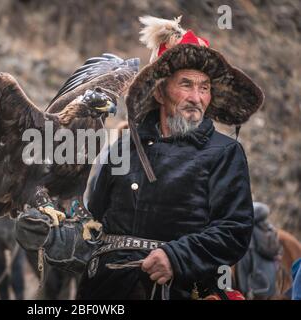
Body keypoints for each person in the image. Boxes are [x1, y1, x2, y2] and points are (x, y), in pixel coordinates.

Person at [16, 16, 264, 300]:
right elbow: (93, 230)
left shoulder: (224, 153)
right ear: (159, 91)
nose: (197, 97)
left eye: (204, 87)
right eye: (186, 84)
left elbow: (235, 230)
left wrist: (176, 256)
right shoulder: (121, 148)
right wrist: (53, 239)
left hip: (182, 291)